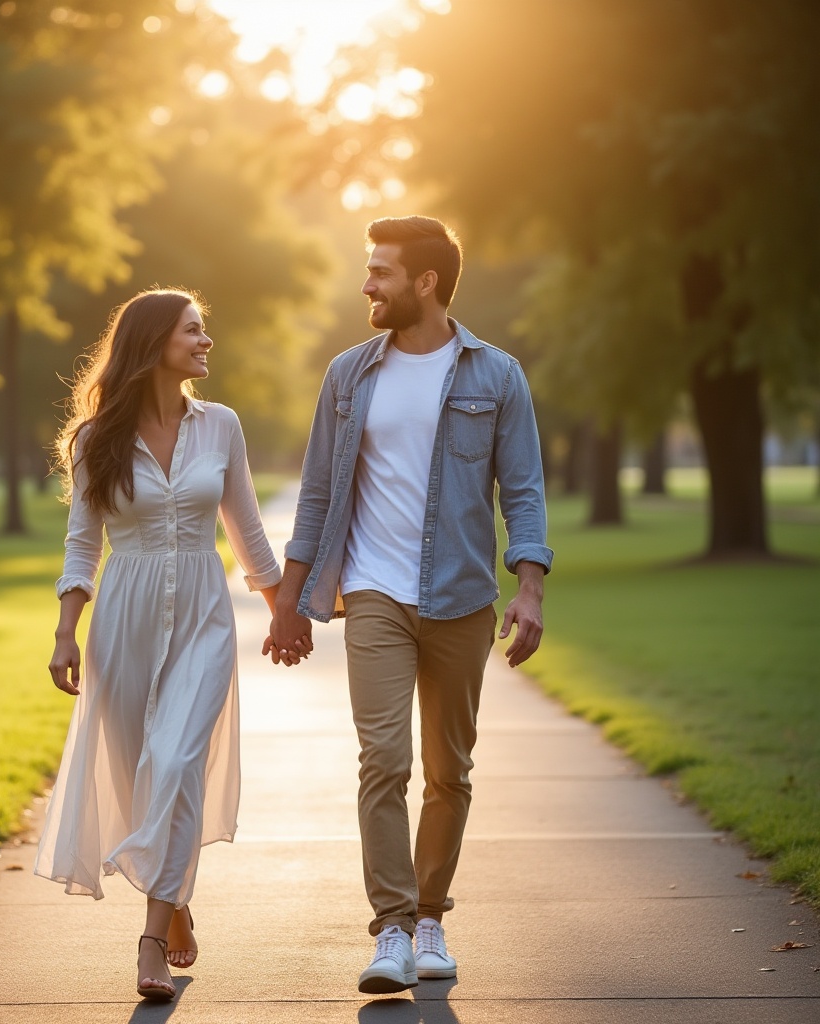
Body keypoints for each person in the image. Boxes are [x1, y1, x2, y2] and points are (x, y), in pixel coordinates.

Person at [265, 216, 553, 994]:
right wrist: (287, 602)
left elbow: (522, 490)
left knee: (448, 770)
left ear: (425, 282)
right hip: (373, 593)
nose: (366, 284)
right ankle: (391, 928)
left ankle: (431, 917)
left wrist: (529, 589)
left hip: (461, 597)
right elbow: (319, 494)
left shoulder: (497, 376)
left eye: (380, 272)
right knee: (383, 761)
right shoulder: (348, 375)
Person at [37, 288, 303, 1002]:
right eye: (193, 331)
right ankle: (175, 897)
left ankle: (150, 939)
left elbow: (247, 533)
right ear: (155, 342)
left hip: (203, 619)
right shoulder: (98, 440)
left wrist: (284, 615)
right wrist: (67, 630)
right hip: (121, 619)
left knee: (179, 761)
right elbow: (81, 543)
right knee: (134, 776)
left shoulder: (221, 427)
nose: (206, 341)